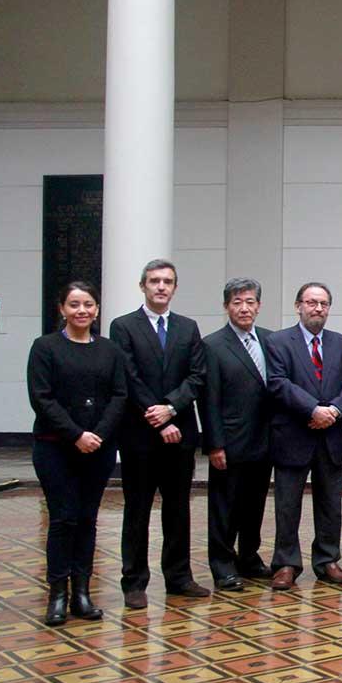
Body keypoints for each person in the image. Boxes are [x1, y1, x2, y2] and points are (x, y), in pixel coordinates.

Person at [109, 258, 209, 609]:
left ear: (175, 287)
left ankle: (179, 577)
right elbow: (128, 376)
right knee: (137, 508)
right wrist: (159, 416)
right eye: (154, 281)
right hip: (140, 434)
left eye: (167, 281)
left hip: (181, 434)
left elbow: (197, 376)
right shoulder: (123, 327)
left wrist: (172, 409)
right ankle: (134, 581)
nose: (161, 287)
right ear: (143, 286)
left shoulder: (188, 327)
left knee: (178, 508)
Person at [27, 282, 127, 626]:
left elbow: (119, 395)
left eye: (88, 304)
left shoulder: (110, 350)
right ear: (62, 309)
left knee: (87, 518)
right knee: (63, 518)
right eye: (74, 304)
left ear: (97, 309)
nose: (81, 310)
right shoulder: (45, 347)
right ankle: (57, 594)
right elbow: (42, 397)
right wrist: (76, 434)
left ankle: (82, 593)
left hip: (97, 448)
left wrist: (97, 434)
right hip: (55, 446)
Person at [265, 282, 342, 590]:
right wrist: (312, 410)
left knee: (331, 503)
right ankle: (286, 563)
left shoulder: (341, 344)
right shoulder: (278, 342)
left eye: (323, 303)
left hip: (331, 436)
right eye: (311, 302)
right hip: (293, 435)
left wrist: (334, 411)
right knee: (288, 504)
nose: (317, 308)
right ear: (298, 306)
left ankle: (327, 559)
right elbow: (278, 383)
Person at [200, 278, 275, 591]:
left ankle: (249, 556)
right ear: (226, 307)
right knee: (224, 506)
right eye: (237, 302)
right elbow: (209, 399)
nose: (244, 308)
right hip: (229, 443)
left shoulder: (271, 341)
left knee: (255, 503)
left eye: (250, 302)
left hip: (266, 440)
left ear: (258, 305)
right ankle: (222, 564)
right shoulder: (212, 345)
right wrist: (215, 443)